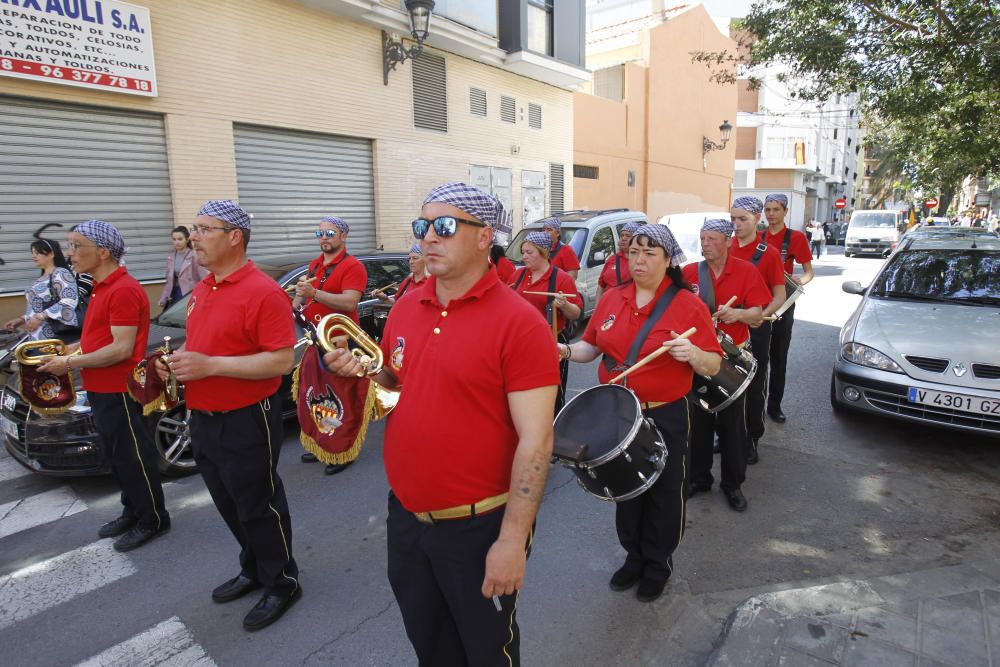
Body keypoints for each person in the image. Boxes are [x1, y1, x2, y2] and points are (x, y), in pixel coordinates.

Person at [323, 182, 558, 666]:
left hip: (479, 527)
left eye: (445, 226)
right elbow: (392, 385)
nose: (429, 237)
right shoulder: (407, 305)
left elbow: (536, 442)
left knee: (487, 652)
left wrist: (513, 541)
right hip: (407, 518)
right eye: (422, 226)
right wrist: (360, 372)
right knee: (431, 646)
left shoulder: (521, 323)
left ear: (483, 236)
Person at [158, 200, 300, 631]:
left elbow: (280, 362)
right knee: (226, 499)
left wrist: (209, 366)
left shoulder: (263, 291)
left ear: (234, 236)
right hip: (203, 414)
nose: (194, 237)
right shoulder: (203, 289)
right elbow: (205, 347)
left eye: (204, 229)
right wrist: (177, 361)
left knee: (258, 502)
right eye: (195, 229)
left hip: (246, 415)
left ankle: (282, 580)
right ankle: (254, 566)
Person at [561, 224, 722, 602]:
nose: (639, 259)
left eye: (650, 252)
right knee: (625, 487)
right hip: (618, 412)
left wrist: (694, 355)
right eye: (634, 251)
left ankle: (657, 563)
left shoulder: (687, 305)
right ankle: (633, 557)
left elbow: (714, 364)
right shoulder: (612, 298)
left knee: (665, 491)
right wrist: (565, 351)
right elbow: (591, 348)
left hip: (664, 412)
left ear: (668, 261)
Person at [38, 221, 169, 551]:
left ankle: (153, 518)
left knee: (133, 456)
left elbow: (121, 349)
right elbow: (97, 340)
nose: (69, 254)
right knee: (116, 455)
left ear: (103, 251)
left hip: (120, 389)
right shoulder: (98, 286)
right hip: (100, 386)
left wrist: (67, 363)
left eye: (75, 246)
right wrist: (66, 350)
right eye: (68, 246)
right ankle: (133, 509)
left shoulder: (122, 289)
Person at [682, 218, 771, 512]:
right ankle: (699, 477)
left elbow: (759, 314)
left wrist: (738, 315)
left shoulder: (746, 271)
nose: (705, 244)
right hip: (697, 358)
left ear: (727, 241)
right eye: (702, 238)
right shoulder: (690, 273)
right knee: (698, 424)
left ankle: (732, 485)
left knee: (733, 428)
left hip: (731, 359)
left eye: (711, 239)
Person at [293, 215, 368, 474]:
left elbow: (349, 303)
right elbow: (303, 301)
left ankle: (343, 451)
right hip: (315, 341)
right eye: (320, 233)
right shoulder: (314, 265)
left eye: (330, 233)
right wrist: (296, 301)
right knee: (314, 396)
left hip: (339, 343)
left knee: (342, 400)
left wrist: (313, 293)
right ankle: (323, 444)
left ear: (343, 237)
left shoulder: (353, 266)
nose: (324, 238)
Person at [729, 197, 786, 464]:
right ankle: (727, 434)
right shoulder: (724, 247)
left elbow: (779, 295)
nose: (737, 224)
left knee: (754, 383)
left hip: (756, 326)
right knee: (725, 382)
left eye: (743, 219)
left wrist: (760, 317)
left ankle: (752, 437)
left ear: (756, 218)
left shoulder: (769, 253)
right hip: (726, 325)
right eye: (733, 219)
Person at [509, 231, 582, 411]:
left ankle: (553, 432)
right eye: (523, 252)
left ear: (543, 252)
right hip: (520, 344)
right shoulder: (518, 276)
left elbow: (576, 313)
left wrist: (564, 305)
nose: (524, 257)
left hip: (551, 343)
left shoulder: (561, 278)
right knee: (520, 391)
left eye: (529, 253)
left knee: (552, 395)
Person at [761, 194, 815, 424]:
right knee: (756, 358)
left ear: (785, 211)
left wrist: (797, 282)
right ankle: (754, 404)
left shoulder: (796, 238)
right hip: (757, 302)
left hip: (783, 304)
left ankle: (775, 405)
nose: (771, 214)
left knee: (779, 357)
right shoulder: (757, 236)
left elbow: (808, 272)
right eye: (768, 210)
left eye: (775, 209)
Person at [4, 239, 79, 340]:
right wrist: (20, 320)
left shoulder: (60, 273)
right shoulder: (42, 278)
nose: (33, 256)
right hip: (37, 336)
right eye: (33, 253)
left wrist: (40, 317)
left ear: (51, 254)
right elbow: (37, 307)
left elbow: (69, 300)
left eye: (38, 253)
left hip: (53, 336)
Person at [158, 226, 207, 311]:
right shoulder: (171, 257)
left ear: (187, 240)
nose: (176, 242)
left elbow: (204, 279)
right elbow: (169, 281)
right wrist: (163, 298)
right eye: (174, 239)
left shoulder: (194, 256)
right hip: (174, 294)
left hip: (189, 294)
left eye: (180, 239)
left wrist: (203, 297)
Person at [596, 221, 640, 298]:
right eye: (622, 235)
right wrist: (597, 308)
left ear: (636, 239)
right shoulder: (612, 259)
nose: (623, 238)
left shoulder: (640, 261)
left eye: (628, 235)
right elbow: (601, 286)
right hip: (608, 304)